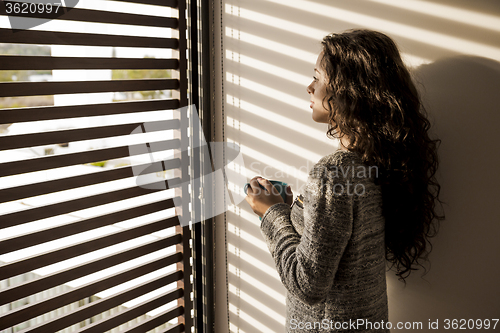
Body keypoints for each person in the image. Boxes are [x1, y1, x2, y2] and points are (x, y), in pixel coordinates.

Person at [245, 29, 443, 332]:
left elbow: (307, 284)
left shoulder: (334, 172)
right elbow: (338, 245)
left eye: (318, 78)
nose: (309, 87)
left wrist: (270, 213)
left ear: (348, 91)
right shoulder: (378, 161)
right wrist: (293, 209)